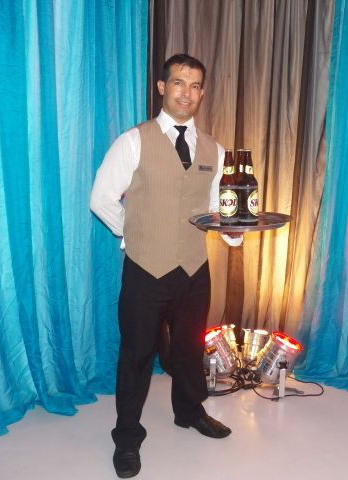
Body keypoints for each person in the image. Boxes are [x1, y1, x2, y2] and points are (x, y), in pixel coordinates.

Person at [90, 53, 241, 478]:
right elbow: (101, 198)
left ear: (202, 93)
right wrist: (132, 234)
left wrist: (233, 232)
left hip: (194, 269)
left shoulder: (215, 150)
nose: (186, 93)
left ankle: (189, 412)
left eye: (195, 86)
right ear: (162, 87)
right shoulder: (133, 141)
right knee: (136, 354)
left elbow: (215, 207)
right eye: (178, 83)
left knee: (190, 348)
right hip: (145, 270)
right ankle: (127, 437)